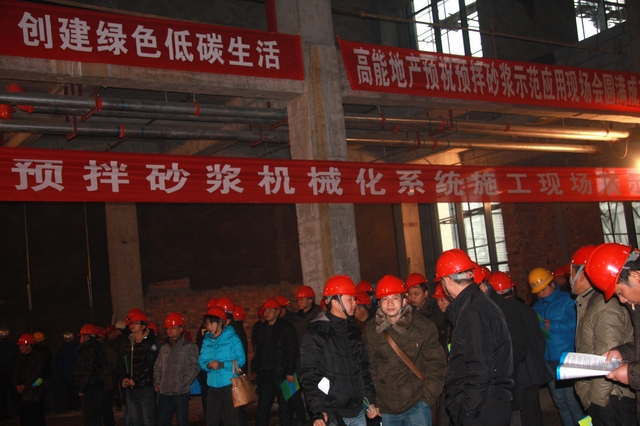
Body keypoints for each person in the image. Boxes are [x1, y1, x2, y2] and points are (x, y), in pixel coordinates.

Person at [436, 249, 512, 426]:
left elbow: (479, 366)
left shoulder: (472, 311)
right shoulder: (479, 304)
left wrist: (468, 411)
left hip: (482, 408)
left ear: (446, 281)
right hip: (490, 402)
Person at [364, 274, 446, 426]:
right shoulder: (371, 330)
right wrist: (377, 400)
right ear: (379, 303)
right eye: (385, 299)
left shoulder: (423, 327)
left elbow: (437, 365)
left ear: (404, 300)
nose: (390, 303)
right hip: (388, 409)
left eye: (395, 298)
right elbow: (372, 367)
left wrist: (427, 398)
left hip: (417, 405)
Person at [569, 245, 635, 426]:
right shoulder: (589, 303)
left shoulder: (604, 306)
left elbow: (607, 361)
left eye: (571, 272)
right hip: (605, 396)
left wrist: (596, 402)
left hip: (611, 399)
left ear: (583, 274)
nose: (569, 279)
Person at [299, 274, 377, 426]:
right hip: (333, 414)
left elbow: (363, 369)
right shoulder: (316, 333)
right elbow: (309, 374)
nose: (354, 303)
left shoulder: (354, 331)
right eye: (350, 299)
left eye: (354, 299)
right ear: (335, 302)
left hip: (358, 412)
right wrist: (318, 410)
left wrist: (370, 400)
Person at [484, 271, 551, 426]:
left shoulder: (498, 314)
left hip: (517, 376)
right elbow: (540, 341)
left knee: (519, 418)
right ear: (512, 289)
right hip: (534, 372)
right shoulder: (528, 309)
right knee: (534, 416)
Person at [529, 267, 585, 426]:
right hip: (548, 363)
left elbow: (578, 323)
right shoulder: (536, 308)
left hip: (567, 360)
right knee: (560, 403)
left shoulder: (568, 300)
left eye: (543, 289)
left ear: (552, 284)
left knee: (574, 403)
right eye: (538, 291)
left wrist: (553, 325)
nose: (541, 294)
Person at [251, 298, 299, 426]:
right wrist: (255, 366)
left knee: (285, 408)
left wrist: (290, 372)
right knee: (263, 407)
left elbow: (292, 351)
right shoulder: (262, 328)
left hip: (281, 374)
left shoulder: (286, 328)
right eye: (265, 310)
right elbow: (259, 350)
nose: (267, 313)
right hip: (266, 374)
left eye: (270, 310)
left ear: (277, 312)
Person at [199, 306, 246, 426]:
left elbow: (241, 360)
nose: (209, 327)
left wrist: (221, 364)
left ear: (221, 322)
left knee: (231, 419)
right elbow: (201, 359)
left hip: (230, 385)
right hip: (213, 385)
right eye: (207, 324)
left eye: (211, 323)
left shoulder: (233, 338)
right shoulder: (207, 340)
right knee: (212, 419)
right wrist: (207, 365)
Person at [154, 312, 200, 426]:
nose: (170, 331)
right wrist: (157, 382)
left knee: (182, 421)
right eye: (168, 328)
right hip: (165, 392)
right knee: (163, 422)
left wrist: (184, 382)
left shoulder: (190, 347)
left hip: (180, 392)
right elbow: (158, 366)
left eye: (173, 328)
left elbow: (194, 366)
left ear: (181, 328)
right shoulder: (164, 348)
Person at [119, 310, 159, 426]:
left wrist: (135, 379)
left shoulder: (149, 343)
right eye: (132, 323)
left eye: (136, 323)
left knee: (148, 419)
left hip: (144, 386)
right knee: (136, 420)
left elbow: (149, 364)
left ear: (143, 326)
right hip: (131, 388)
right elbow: (124, 362)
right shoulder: (129, 342)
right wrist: (124, 377)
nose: (133, 325)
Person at [406, 273, 447, 361]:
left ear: (425, 293)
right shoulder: (407, 311)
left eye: (416, 294)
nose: (412, 297)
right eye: (409, 294)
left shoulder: (437, 310)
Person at [75, 324, 106, 426]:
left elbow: (88, 370)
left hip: (90, 389)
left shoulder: (90, 350)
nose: (80, 339)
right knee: (95, 417)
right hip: (95, 387)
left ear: (87, 337)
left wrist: (81, 388)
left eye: (81, 336)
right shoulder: (96, 348)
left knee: (90, 418)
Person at [13, 333, 47, 426]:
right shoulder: (20, 359)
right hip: (23, 394)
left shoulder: (39, 356)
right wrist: (17, 385)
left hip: (35, 393)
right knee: (25, 418)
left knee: (37, 417)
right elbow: (15, 374)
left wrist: (24, 385)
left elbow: (38, 374)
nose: (20, 348)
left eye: (22, 345)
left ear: (29, 345)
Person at [56, 331, 79, 412]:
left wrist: (61, 373)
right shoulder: (77, 348)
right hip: (77, 374)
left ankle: (72, 407)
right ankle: (79, 406)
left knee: (70, 392)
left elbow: (59, 364)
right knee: (78, 390)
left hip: (67, 375)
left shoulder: (62, 350)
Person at [32, 332, 54, 413]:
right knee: (49, 393)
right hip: (46, 376)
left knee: (36, 393)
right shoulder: (46, 350)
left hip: (37, 378)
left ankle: (40, 411)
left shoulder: (33, 351)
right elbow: (50, 360)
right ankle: (52, 410)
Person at [0, 327, 18, 421]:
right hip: (12, 373)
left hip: (1, 374)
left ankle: (3, 415)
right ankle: (18, 412)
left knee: (2, 396)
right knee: (14, 394)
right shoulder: (13, 347)